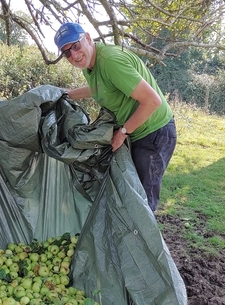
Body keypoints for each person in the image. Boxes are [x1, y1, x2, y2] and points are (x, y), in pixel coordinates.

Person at [54, 22, 177, 212]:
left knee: (142, 204)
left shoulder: (110, 61)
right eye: (66, 53)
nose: (74, 55)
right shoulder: (90, 66)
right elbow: (96, 89)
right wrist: (64, 94)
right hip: (136, 133)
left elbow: (152, 101)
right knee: (128, 197)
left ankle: (145, 242)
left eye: (75, 46)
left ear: (87, 38)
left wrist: (123, 133)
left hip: (154, 133)